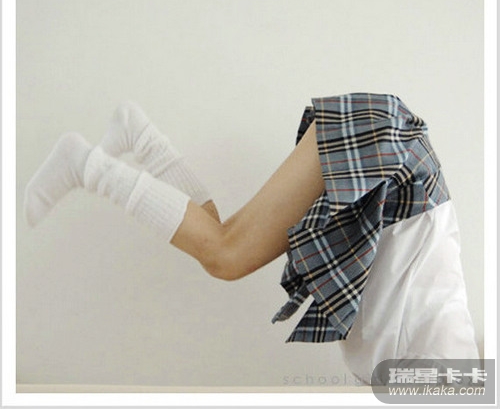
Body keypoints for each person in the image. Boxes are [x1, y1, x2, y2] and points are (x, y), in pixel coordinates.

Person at [24, 93, 479, 385]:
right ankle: (85, 165)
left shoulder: (430, 381)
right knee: (226, 256)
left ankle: (141, 138)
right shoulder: (450, 384)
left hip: (397, 171)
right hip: (396, 165)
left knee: (221, 240)